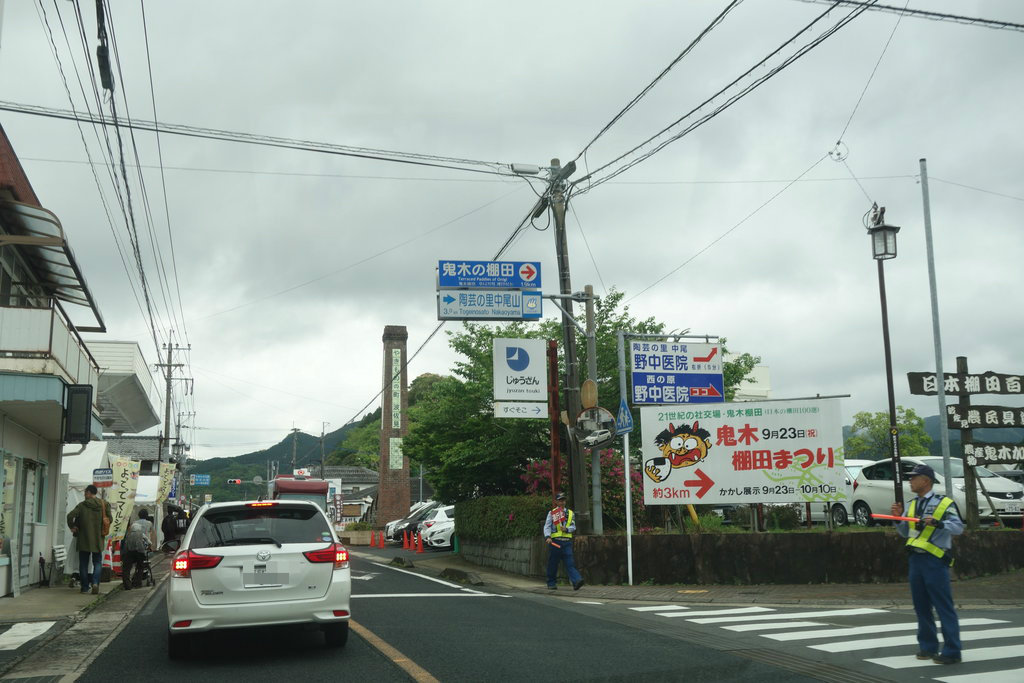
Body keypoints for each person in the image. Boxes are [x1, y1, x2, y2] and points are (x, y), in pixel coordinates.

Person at [890, 463, 964, 665]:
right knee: (921, 606)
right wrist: (898, 519)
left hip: (935, 561)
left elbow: (958, 527)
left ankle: (952, 650)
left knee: (943, 606)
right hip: (916, 560)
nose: (910, 481)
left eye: (914, 477)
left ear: (926, 480)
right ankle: (928, 646)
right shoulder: (912, 505)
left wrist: (939, 523)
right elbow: (906, 533)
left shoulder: (944, 503)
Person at [66, 485, 111, 595]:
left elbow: (70, 515)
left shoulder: (82, 505)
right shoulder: (104, 504)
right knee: (97, 562)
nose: (84, 495)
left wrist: (72, 526)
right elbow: (110, 519)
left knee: (83, 564)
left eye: (85, 493)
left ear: (89, 493)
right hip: (98, 539)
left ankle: (85, 587)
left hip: (83, 539)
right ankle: (95, 583)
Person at [543, 492, 584, 591]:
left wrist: (567, 529)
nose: (562, 502)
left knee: (570, 563)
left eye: (563, 500)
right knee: (553, 563)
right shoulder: (552, 513)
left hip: (567, 542)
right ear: (556, 502)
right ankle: (551, 583)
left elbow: (573, 526)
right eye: (560, 500)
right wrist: (548, 536)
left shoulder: (570, 513)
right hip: (555, 542)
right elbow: (547, 526)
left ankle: (577, 581)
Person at [121, 509, 155, 590]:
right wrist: (151, 547)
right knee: (141, 565)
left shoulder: (133, 525)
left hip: (130, 551)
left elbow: (126, 542)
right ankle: (138, 582)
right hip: (142, 549)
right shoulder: (149, 524)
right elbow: (150, 537)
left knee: (127, 568)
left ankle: (127, 584)